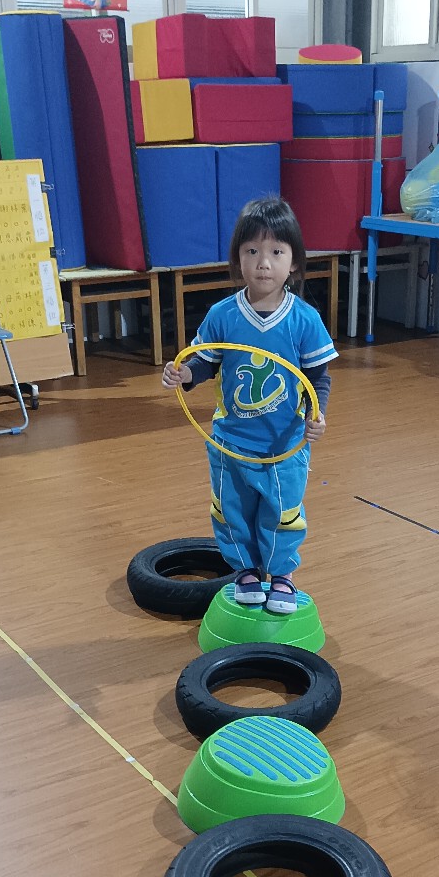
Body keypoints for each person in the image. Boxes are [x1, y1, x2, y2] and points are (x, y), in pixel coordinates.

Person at [162, 197, 337, 613]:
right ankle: (245, 570)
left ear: (294, 262)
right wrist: (185, 375)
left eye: (276, 251)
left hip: (285, 443)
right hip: (232, 440)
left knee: (282, 511)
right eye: (252, 251)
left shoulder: (305, 320)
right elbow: (205, 362)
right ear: (237, 258)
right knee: (233, 509)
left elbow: (317, 379)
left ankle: (282, 575)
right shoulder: (222, 315)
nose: (264, 263)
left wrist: (316, 415)